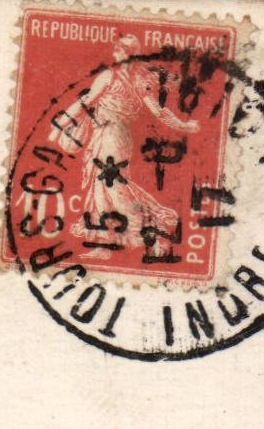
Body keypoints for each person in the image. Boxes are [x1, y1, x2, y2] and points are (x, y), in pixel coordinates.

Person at [47, 34, 199, 260]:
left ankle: (155, 229)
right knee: (104, 189)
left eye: (118, 52)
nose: (116, 56)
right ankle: (107, 244)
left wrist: (58, 126)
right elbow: (158, 111)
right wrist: (183, 126)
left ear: (124, 54)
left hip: (110, 136)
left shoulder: (111, 76)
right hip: (115, 137)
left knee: (111, 188)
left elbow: (85, 102)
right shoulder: (140, 80)